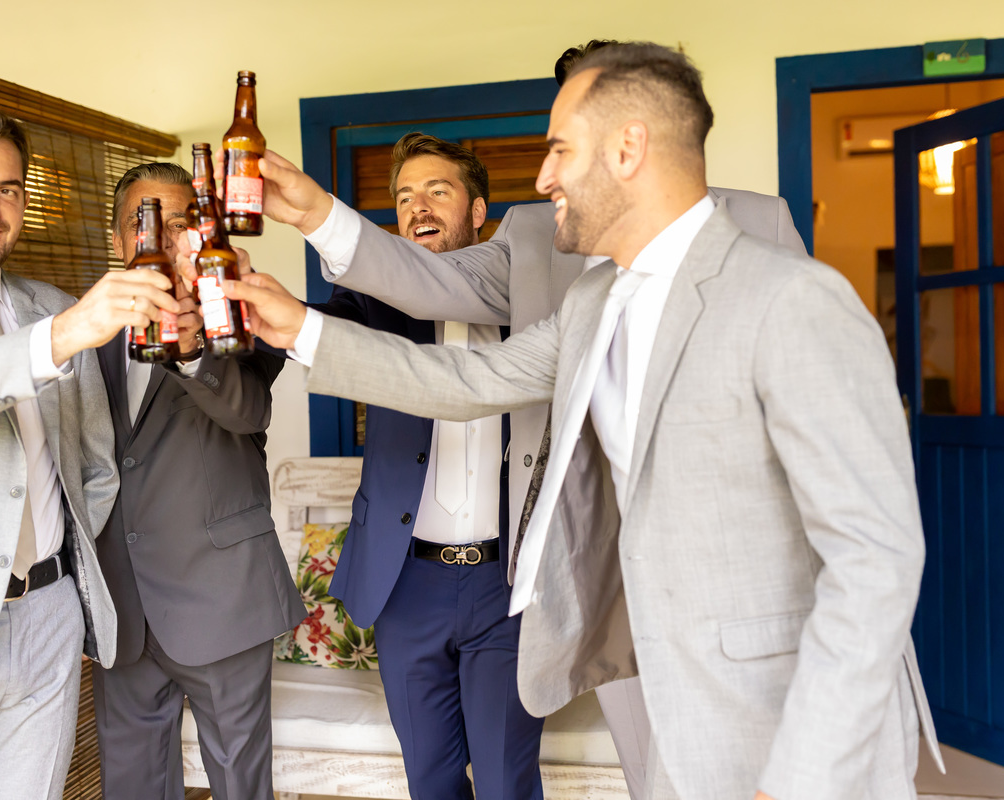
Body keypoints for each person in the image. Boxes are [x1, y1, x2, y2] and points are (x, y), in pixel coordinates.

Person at [226, 42, 943, 800]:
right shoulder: (596, 302)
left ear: (627, 149)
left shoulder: (793, 297)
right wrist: (295, 324)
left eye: (560, 151)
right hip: (663, 691)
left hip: (791, 719)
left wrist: (800, 772)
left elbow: (874, 560)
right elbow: (468, 379)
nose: (542, 180)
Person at [0, 104, 181, 798]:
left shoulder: (51, 305)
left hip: (49, 615)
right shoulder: (64, 326)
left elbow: (93, 464)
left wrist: (70, 584)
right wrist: (60, 338)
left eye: (7, 189)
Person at [308, 132, 544, 799]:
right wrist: (242, 306)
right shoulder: (375, 304)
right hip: (406, 585)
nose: (418, 207)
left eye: (437, 190)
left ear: (478, 211)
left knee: (506, 783)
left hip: (507, 584)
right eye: (405, 196)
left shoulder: (533, 308)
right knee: (431, 781)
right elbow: (310, 331)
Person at [90, 163, 300, 800]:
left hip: (222, 600)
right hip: (122, 611)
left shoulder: (242, 312)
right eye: (143, 222)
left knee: (240, 785)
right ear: (118, 239)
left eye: (179, 222)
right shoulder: (85, 329)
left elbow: (248, 410)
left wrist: (189, 349)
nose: (161, 237)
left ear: (200, 233)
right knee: (132, 785)